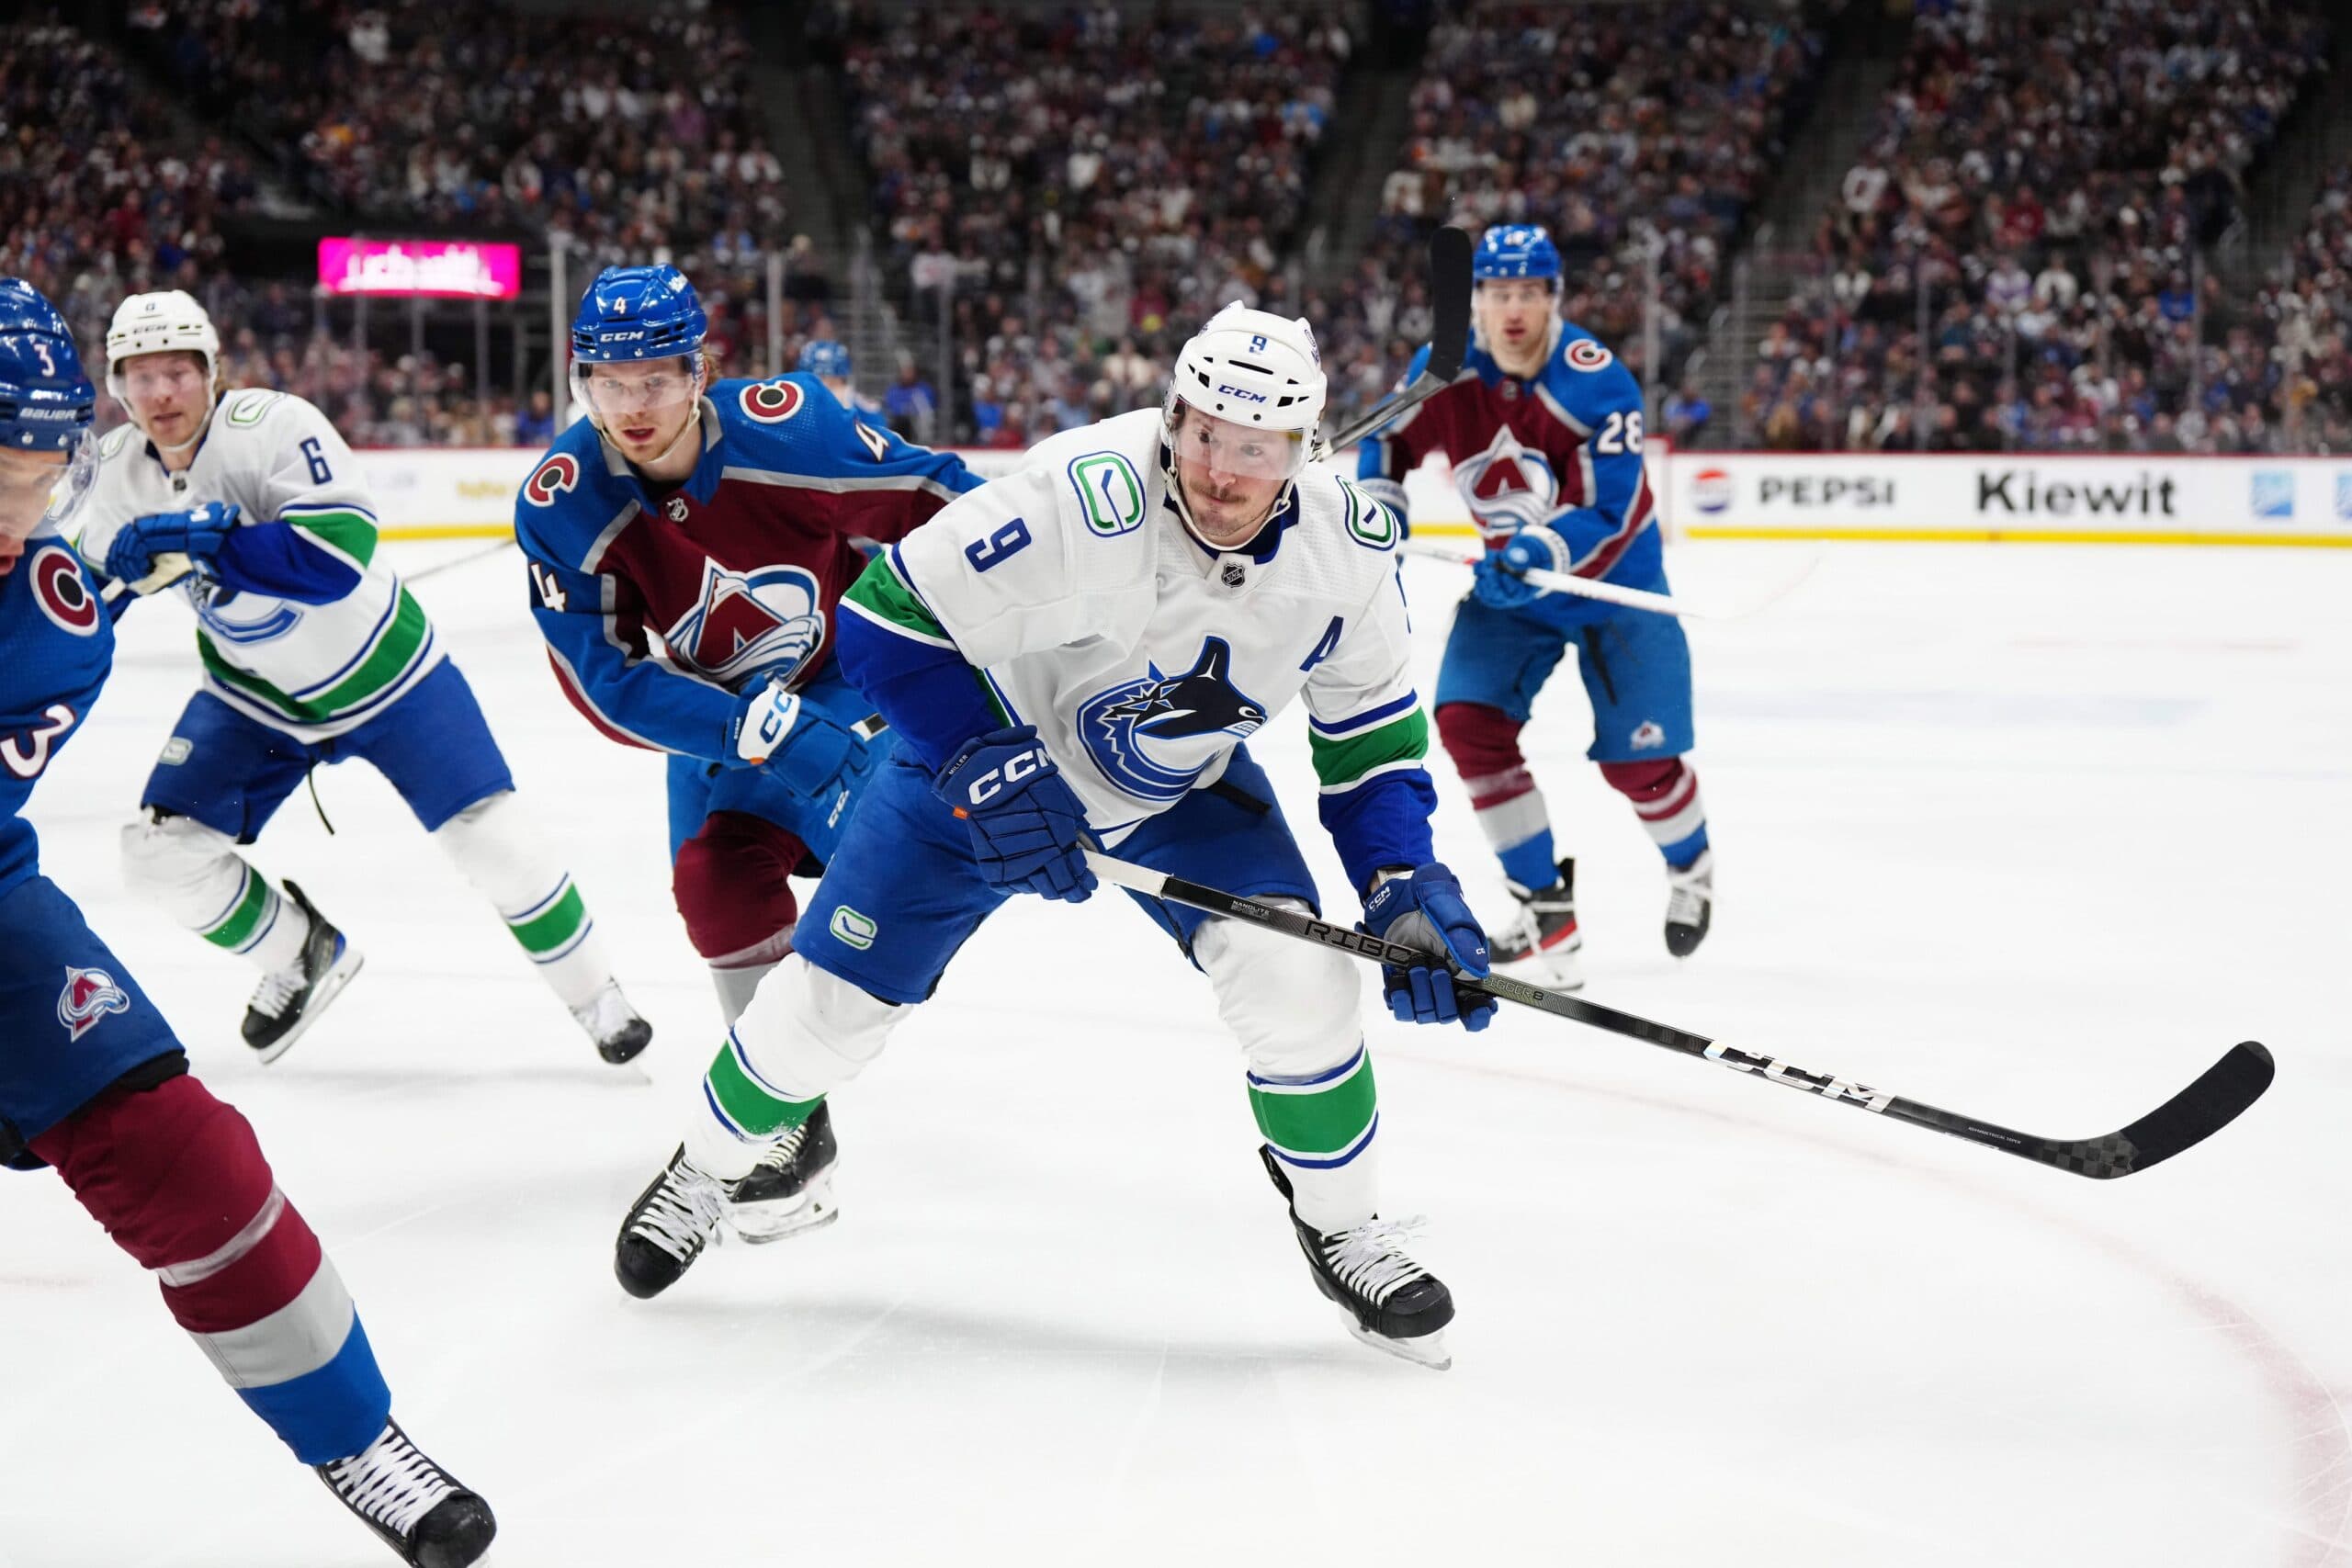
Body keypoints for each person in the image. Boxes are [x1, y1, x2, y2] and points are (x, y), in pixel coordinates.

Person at [613, 302, 1494, 1371]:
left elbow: (1370, 751)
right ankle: (707, 1165)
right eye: (1206, 430)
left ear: (1301, 450)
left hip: (1183, 786)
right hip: (976, 762)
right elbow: (885, 617)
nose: (1221, 468)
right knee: (823, 1013)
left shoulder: (1347, 555)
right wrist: (983, 762)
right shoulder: (1079, 494)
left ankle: (1340, 1222)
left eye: (1256, 446)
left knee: (1298, 981)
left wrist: (1403, 881)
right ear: (1174, 414)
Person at [0, 277, 494, 1567]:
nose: (15, 511)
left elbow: (326, 544)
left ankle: (354, 1433)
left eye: (35, 469)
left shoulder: (52, 623)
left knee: (186, 1153)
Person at [514, 265, 982, 1233]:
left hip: (857, 671)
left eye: (655, 378)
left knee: (913, 860)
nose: (632, 406)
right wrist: (750, 728)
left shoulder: (796, 427)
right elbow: (605, 683)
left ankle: (857, 993)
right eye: (608, 380)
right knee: (713, 881)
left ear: (700, 372)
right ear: (579, 382)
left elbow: (941, 494)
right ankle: (785, 1130)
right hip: (720, 710)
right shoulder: (562, 501)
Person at [72, 290, 651, 1066]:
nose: (161, 393)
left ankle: (598, 997)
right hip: (253, 698)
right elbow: (79, 603)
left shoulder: (274, 426)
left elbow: (339, 555)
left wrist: (205, 540)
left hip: (392, 677)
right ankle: (298, 954)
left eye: (177, 371)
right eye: (139, 377)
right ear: (116, 387)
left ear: (212, 372)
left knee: (500, 845)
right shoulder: (111, 474)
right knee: (157, 854)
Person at [1359, 225, 1713, 989]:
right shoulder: (1443, 369)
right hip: (1512, 589)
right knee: (1465, 722)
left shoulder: (1596, 380)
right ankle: (1545, 904)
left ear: (1555, 298)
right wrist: (1381, 506)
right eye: (1497, 292)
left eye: (1529, 293)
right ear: (1477, 300)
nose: (1513, 309)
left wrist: (1541, 553)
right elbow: (1385, 442)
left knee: (1640, 764)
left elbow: (1612, 508)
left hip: (1611, 585)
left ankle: (1692, 866)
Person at [797, 336, 880, 416]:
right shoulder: (797, 412)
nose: (820, 385)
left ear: (841, 378)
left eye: (824, 377)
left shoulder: (867, 411)